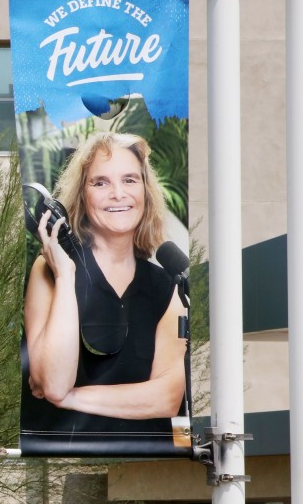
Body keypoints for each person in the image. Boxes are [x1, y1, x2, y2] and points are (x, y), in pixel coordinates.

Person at [23, 131, 187, 444]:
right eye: (100, 183)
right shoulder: (50, 270)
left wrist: (71, 398)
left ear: (145, 192)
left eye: (129, 180)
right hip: (64, 453)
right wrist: (65, 277)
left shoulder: (168, 285)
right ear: (82, 195)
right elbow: (55, 383)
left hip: (145, 461)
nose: (117, 194)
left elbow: (166, 398)